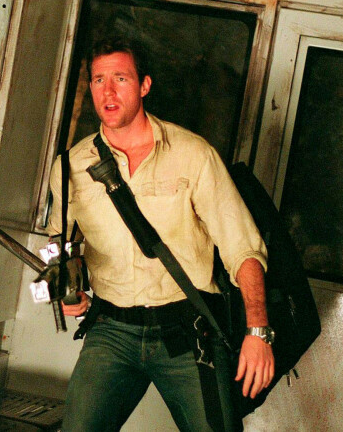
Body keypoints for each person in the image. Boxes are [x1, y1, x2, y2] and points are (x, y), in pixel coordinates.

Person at [45, 37, 274, 431]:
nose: (108, 91)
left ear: (144, 85)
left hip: (187, 329)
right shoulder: (69, 166)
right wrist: (63, 285)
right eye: (99, 80)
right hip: (111, 330)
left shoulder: (194, 155)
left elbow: (243, 249)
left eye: (121, 78)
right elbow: (58, 244)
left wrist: (258, 331)